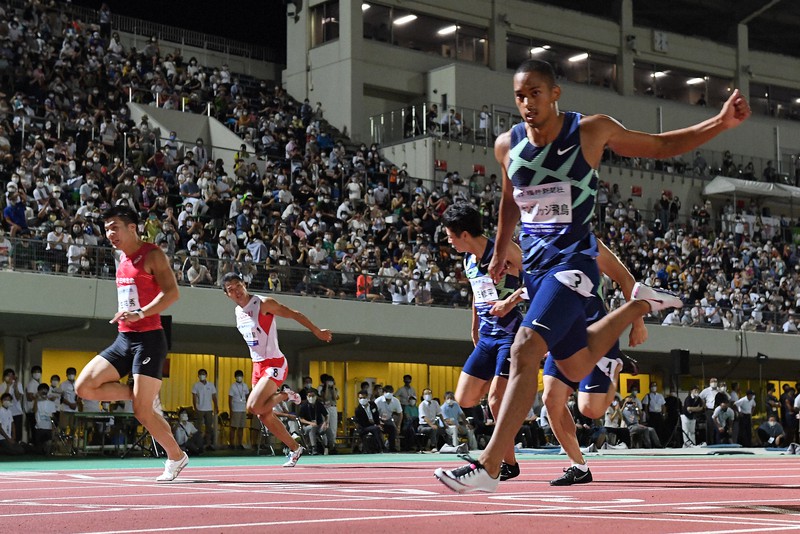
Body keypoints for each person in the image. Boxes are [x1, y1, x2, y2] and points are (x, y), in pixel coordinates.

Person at [438, 58, 749, 492]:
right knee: (577, 361)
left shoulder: (589, 131)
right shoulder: (507, 146)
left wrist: (719, 123)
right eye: (520, 96)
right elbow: (509, 198)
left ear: (555, 94)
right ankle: (641, 303)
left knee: (525, 349)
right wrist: (500, 246)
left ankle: (489, 467)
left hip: (575, 261)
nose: (527, 103)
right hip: (537, 266)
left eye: (535, 94)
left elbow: (659, 146)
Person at [74, 206, 187, 482]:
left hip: (149, 339)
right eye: (106, 229)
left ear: (132, 227)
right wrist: (127, 312)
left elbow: (172, 293)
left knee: (141, 412)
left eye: (114, 227)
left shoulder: (152, 254)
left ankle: (176, 457)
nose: (109, 234)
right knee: (84, 387)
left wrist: (142, 313)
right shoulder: (120, 258)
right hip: (124, 338)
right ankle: (143, 394)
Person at [440, 201, 524, 479]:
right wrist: (474, 327)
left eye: (450, 235)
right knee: (464, 398)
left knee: (496, 400)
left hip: (511, 334)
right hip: (486, 335)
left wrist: (509, 302)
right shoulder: (467, 259)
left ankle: (498, 461)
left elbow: (539, 281)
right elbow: (478, 294)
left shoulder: (504, 251)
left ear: (464, 234)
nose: (448, 241)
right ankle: (509, 462)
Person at [221, 272, 332, 467]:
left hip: (275, 363)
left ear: (245, 284)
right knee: (263, 415)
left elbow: (293, 314)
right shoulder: (238, 312)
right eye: (231, 290)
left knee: (252, 406)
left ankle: (285, 395)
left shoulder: (263, 304)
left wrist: (316, 331)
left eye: (238, 286)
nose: (236, 291)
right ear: (227, 295)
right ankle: (295, 448)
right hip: (257, 366)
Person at [191, 369, 218, 450]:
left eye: (203, 374)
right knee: (199, 428)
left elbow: (214, 396)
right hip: (200, 408)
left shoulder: (211, 385)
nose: (202, 376)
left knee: (209, 427)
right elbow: (194, 397)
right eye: (200, 374)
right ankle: (199, 444)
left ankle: (208, 444)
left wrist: (216, 406)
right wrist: (195, 408)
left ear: (206, 375)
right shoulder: (196, 385)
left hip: (209, 408)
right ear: (198, 376)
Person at [228, 370, 249, 449]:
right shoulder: (233, 386)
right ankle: (232, 444)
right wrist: (231, 410)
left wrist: (248, 407)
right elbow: (230, 399)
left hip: (243, 409)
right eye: (238, 376)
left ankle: (239, 443)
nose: (239, 377)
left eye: (240, 375)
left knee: (241, 427)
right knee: (233, 427)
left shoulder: (245, 386)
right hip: (235, 409)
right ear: (235, 377)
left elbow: (247, 396)